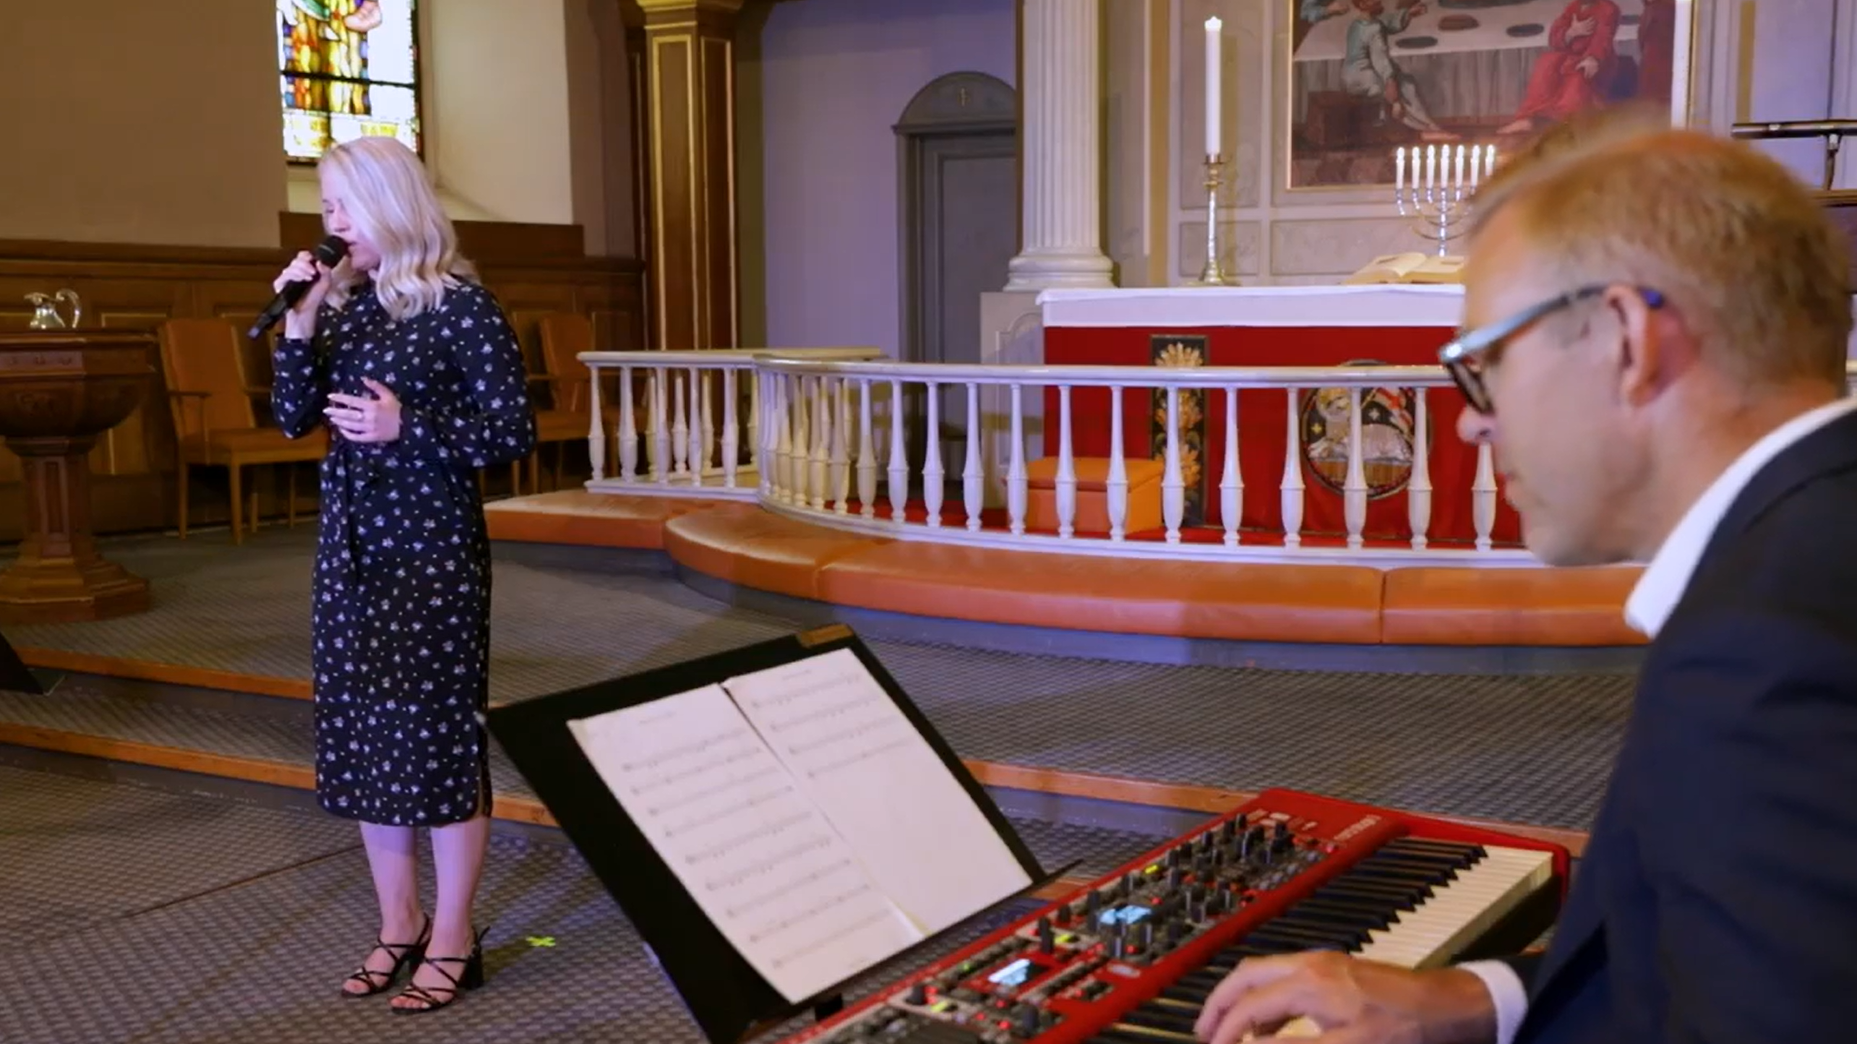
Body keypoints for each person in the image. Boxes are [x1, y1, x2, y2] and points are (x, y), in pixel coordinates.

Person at [1192, 128, 1857, 1040]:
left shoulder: (1765, 652)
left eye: (1487, 365)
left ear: (1626, 338)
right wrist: (1483, 1000)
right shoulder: (1807, 548)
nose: (1473, 426)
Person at [269, 134, 537, 1014]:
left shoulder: (462, 307)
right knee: (363, 738)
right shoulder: (345, 310)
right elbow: (289, 419)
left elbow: (511, 433)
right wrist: (301, 320)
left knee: (431, 738)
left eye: (344, 209)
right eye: (328, 212)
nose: (332, 226)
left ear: (390, 207)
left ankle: (456, 935)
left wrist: (406, 428)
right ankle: (398, 925)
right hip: (348, 552)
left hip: (429, 555)